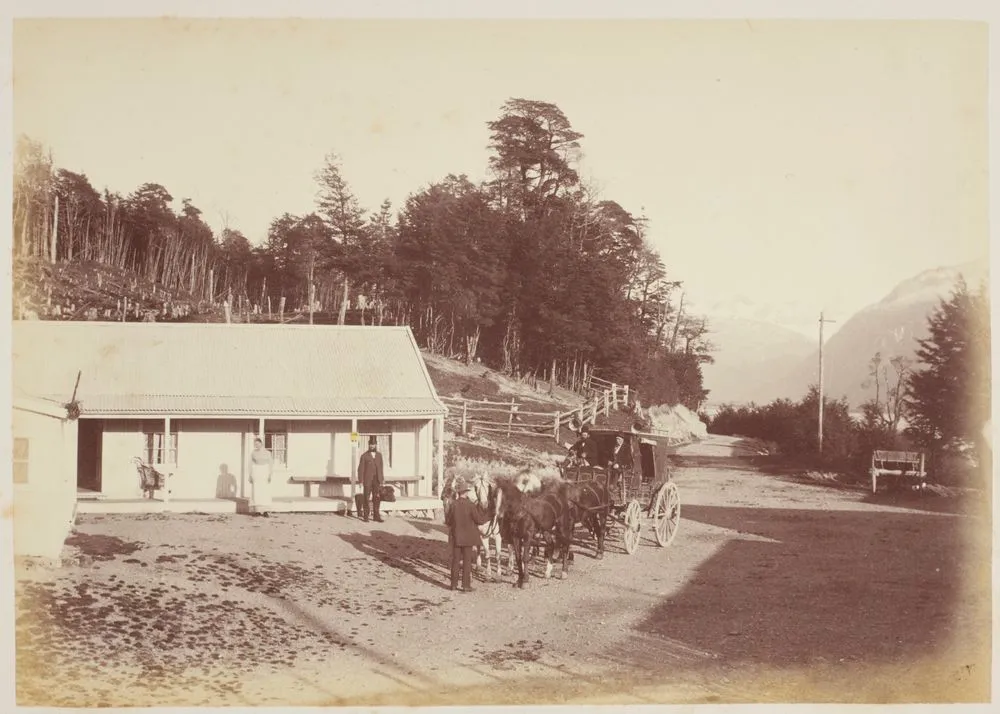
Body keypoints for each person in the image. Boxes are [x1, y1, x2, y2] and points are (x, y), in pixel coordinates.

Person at [445, 476, 490, 592]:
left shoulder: (453, 504)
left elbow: (448, 521)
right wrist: (489, 516)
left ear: (458, 493)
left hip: (456, 538)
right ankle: (465, 586)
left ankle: (453, 585)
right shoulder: (471, 505)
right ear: (465, 493)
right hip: (468, 539)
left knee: (455, 561)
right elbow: (479, 520)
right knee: (467, 562)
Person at [357, 435, 385, 522]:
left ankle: (376, 516)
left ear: (376, 445)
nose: (372, 446)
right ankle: (366, 516)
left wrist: (382, 479)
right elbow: (360, 469)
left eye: (374, 444)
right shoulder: (364, 456)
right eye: (371, 444)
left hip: (377, 480)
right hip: (367, 480)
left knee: (377, 498)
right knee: (366, 498)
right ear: (368, 445)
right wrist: (361, 481)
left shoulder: (379, 455)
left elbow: (381, 468)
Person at [249, 437, 273, 517]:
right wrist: (250, 475)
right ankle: (257, 511)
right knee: (256, 491)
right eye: (255, 444)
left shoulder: (267, 452)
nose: (256, 445)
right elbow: (251, 465)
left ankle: (265, 511)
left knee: (265, 491)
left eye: (258, 443)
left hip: (264, 471)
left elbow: (270, 464)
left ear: (261, 443)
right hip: (256, 472)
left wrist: (270, 474)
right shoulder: (253, 453)